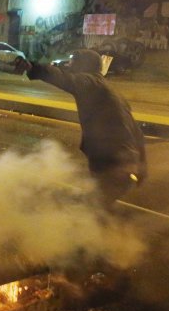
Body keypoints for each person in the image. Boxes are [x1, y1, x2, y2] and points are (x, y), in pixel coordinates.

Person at [14, 49, 147, 205]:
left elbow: (63, 79)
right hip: (126, 163)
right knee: (97, 207)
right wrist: (142, 166)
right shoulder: (110, 90)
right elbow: (137, 133)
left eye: (73, 62)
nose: (69, 65)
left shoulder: (90, 83)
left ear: (83, 65)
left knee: (91, 209)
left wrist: (33, 67)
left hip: (112, 162)